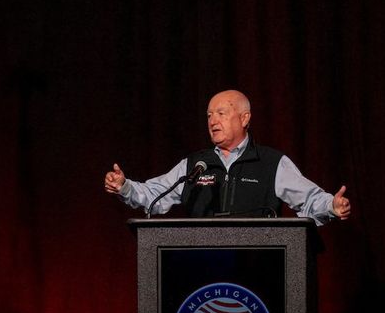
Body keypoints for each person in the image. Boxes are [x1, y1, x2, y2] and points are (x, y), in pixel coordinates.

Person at [104, 89, 350, 225]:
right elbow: (153, 196)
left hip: (256, 265)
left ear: (244, 118)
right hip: (201, 266)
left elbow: (308, 200)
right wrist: (125, 187)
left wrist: (331, 206)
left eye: (221, 113)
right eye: (209, 115)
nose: (213, 121)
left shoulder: (271, 163)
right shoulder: (195, 165)